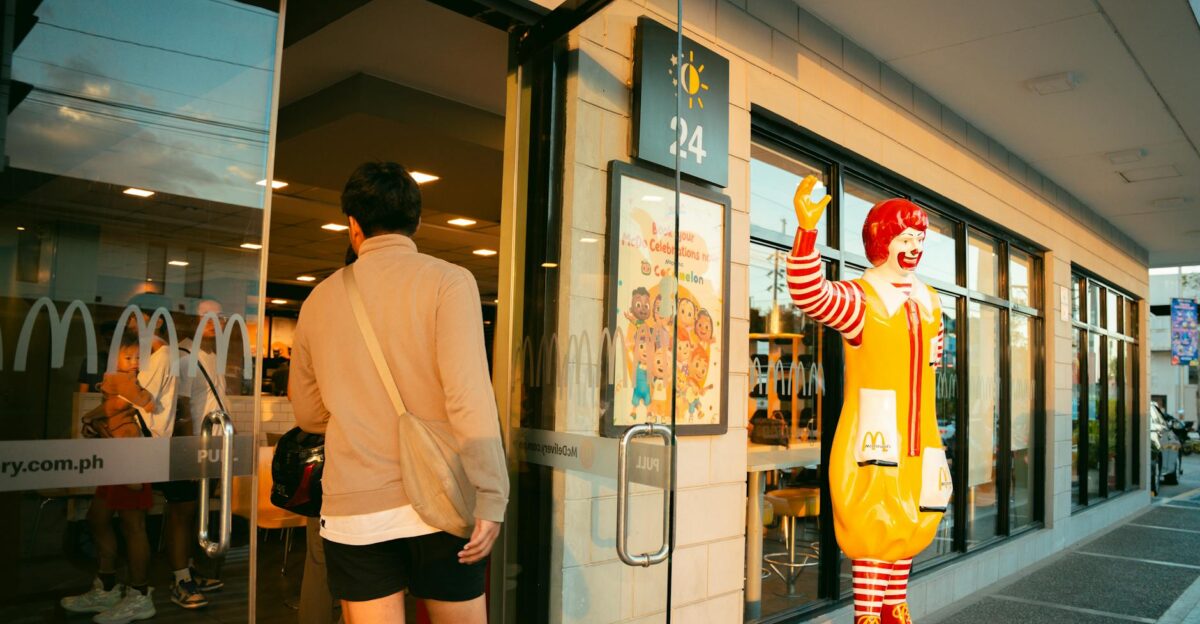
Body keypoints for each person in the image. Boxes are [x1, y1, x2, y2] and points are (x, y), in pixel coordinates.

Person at [290, 162, 508, 624]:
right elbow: (468, 398)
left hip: (355, 512)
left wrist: (358, 414)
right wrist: (492, 495)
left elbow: (308, 414)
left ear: (353, 226)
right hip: (442, 501)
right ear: (417, 222)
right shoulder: (449, 281)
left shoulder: (318, 301)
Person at [784, 176, 951, 624]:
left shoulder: (931, 302)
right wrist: (806, 233)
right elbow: (810, 294)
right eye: (904, 237)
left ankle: (895, 607)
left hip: (921, 434)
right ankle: (868, 615)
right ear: (883, 241)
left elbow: (932, 369)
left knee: (910, 523)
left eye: (918, 237)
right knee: (873, 524)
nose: (914, 246)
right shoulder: (863, 298)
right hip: (876, 433)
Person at [63, 294, 180, 624]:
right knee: (98, 517)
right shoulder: (143, 356)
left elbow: (129, 401)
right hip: (121, 446)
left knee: (132, 524)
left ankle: (140, 594)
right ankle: (109, 585)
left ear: (156, 321)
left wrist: (96, 414)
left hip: (137, 448)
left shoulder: (161, 356)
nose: (130, 325)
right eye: (129, 320)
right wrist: (96, 417)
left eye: (136, 319)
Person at [158, 298, 228, 610]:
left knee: (198, 511)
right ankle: (180, 578)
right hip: (192, 446)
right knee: (182, 511)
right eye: (207, 317)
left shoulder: (213, 355)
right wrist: (187, 452)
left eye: (219, 317)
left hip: (212, 446)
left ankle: (195, 572)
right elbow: (182, 406)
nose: (214, 323)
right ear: (193, 322)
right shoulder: (185, 355)